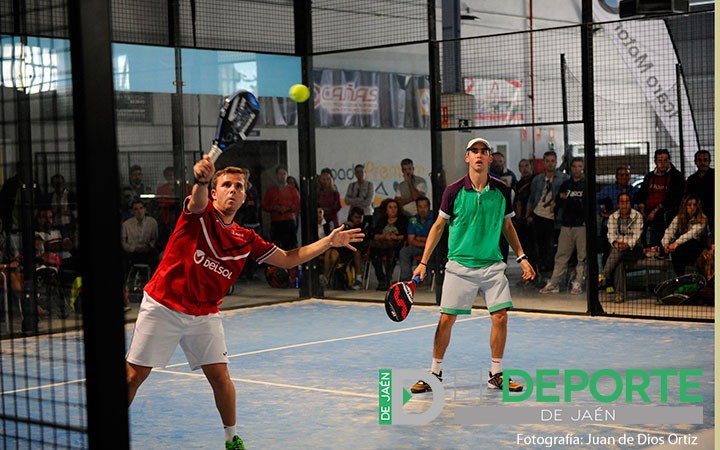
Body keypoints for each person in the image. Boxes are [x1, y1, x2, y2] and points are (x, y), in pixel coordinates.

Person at [125, 157, 364, 450]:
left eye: (239, 186)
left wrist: (328, 242)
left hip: (205, 314)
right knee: (133, 377)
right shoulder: (198, 215)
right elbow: (197, 200)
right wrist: (201, 180)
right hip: (164, 305)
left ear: (244, 197)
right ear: (214, 193)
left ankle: (231, 439)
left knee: (220, 378)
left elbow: (289, 258)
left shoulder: (246, 238)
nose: (233, 190)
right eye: (226, 185)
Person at [410, 137, 535, 395]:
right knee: (446, 320)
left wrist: (521, 256)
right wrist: (423, 262)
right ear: (467, 158)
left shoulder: (502, 191)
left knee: (500, 316)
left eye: (484, 151)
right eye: (474, 151)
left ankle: (496, 374)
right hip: (459, 266)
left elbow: (507, 225)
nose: (479, 155)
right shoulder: (453, 191)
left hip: (492, 266)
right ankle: (434, 373)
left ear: (490, 158)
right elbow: (438, 227)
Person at [539, 157, 587, 295]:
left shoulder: (586, 185)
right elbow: (559, 203)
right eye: (574, 166)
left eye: (580, 166)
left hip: (581, 226)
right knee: (561, 256)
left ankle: (578, 282)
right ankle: (554, 283)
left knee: (581, 257)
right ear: (571, 168)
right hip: (566, 226)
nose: (577, 169)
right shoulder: (566, 185)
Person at [525, 151, 568, 273]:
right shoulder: (538, 179)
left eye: (552, 161)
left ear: (556, 162)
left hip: (554, 217)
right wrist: (528, 214)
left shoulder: (563, 178)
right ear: (543, 162)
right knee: (539, 245)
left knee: (551, 245)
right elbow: (532, 197)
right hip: (538, 214)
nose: (550, 164)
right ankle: (542, 269)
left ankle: (550, 270)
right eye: (547, 161)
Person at [598, 193, 644, 303]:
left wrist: (627, 244)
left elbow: (637, 236)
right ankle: (619, 295)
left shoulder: (638, 216)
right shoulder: (613, 217)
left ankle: (603, 275)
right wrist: (615, 243)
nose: (624, 204)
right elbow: (611, 234)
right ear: (618, 204)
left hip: (634, 249)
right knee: (619, 262)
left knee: (617, 254)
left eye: (627, 201)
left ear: (630, 203)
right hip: (618, 249)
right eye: (622, 202)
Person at [635, 149, 685, 247]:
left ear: (669, 160)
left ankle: (656, 247)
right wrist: (641, 209)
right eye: (660, 161)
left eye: (665, 160)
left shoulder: (676, 176)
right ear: (655, 162)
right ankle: (640, 247)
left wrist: (655, 211)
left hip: (665, 209)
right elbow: (642, 194)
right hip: (648, 208)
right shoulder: (649, 176)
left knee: (659, 219)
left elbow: (674, 198)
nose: (663, 163)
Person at [596, 167, 639, 265]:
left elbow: (642, 197)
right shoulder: (609, 190)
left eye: (626, 175)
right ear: (616, 177)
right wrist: (601, 212)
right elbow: (594, 199)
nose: (624, 177)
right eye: (621, 175)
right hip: (610, 225)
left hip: (628, 227)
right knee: (608, 253)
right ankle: (607, 277)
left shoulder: (633, 190)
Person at [322, 206, 367, 290]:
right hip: (342, 248)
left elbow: (363, 242)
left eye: (360, 217)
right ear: (351, 217)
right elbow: (335, 235)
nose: (358, 219)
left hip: (355, 249)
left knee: (357, 253)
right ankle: (326, 277)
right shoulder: (345, 226)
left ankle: (358, 278)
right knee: (329, 253)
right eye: (356, 217)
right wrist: (344, 226)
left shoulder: (363, 227)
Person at [662, 195, 708, 276]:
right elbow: (669, 231)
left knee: (688, 244)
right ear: (685, 206)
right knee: (676, 251)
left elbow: (691, 234)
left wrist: (676, 243)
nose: (692, 207)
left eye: (695, 205)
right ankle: (680, 278)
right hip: (683, 247)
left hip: (698, 246)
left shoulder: (703, 219)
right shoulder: (678, 218)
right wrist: (665, 244)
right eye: (689, 205)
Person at [370, 198, 408, 290]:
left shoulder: (403, 220)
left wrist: (395, 237)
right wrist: (384, 236)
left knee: (391, 254)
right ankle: (381, 280)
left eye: (395, 207)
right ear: (386, 210)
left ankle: (388, 280)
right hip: (382, 245)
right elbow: (374, 235)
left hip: (396, 245)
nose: (393, 209)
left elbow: (405, 236)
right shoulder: (382, 220)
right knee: (374, 254)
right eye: (390, 207)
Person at [262, 166, 300, 250]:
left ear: (287, 175)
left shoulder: (292, 190)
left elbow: (297, 205)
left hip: (289, 221)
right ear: (276, 175)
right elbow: (265, 205)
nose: (282, 176)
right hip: (276, 221)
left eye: (284, 174)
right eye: (280, 174)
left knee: (290, 246)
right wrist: (274, 208)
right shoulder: (271, 190)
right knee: (276, 246)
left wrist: (288, 208)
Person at [235, 168, 262, 281]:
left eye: (247, 174)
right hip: (243, 222)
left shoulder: (253, 189)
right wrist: (246, 203)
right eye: (243, 174)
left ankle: (252, 272)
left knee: (255, 250)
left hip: (254, 222)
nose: (245, 176)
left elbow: (258, 204)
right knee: (242, 250)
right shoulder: (237, 188)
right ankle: (242, 273)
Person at [512, 159, 536, 283]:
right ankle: (527, 275)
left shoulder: (536, 181)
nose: (525, 168)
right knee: (523, 249)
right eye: (522, 166)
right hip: (520, 221)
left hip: (533, 220)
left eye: (527, 165)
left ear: (531, 166)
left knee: (534, 249)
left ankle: (535, 275)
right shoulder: (518, 184)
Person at [399, 196, 433, 281]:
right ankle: (407, 280)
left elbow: (434, 238)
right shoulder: (413, 220)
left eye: (425, 207)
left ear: (429, 207)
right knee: (404, 252)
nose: (423, 210)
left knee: (435, 253)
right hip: (418, 247)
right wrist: (425, 241)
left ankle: (428, 280)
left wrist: (419, 239)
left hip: (433, 247)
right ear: (417, 208)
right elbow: (411, 240)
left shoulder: (435, 217)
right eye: (420, 207)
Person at [120, 199, 159, 273]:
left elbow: (155, 239)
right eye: (136, 209)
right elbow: (123, 243)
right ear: (132, 212)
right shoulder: (126, 225)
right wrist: (134, 249)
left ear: (145, 209)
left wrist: (149, 247)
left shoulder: (152, 222)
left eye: (141, 208)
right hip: (132, 253)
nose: (139, 211)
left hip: (148, 252)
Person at [685, 150, 714, 227]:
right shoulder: (691, 179)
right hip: (696, 211)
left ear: (709, 161)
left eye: (705, 160)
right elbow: (688, 197)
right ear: (695, 162)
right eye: (699, 160)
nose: (702, 163)